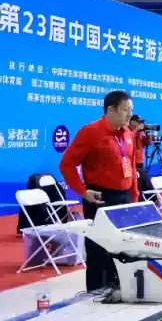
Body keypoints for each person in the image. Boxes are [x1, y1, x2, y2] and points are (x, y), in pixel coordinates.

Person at [59, 90, 139, 297]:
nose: (130, 115)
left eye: (131, 110)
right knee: (98, 248)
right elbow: (66, 164)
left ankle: (120, 289)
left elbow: (131, 165)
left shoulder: (128, 134)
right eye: (126, 110)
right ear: (111, 110)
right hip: (101, 198)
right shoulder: (90, 132)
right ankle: (94, 294)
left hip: (125, 197)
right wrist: (83, 191)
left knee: (123, 246)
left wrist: (134, 195)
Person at [128, 114, 153, 194]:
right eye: (139, 122)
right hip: (131, 163)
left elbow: (148, 142)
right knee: (135, 185)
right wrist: (137, 130)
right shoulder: (127, 131)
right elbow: (129, 138)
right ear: (132, 122)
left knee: (142, 183)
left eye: (141, 122)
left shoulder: (140, 134)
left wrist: (148, 134)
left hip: (139, 162)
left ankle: (150, 198)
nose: (141, 124)